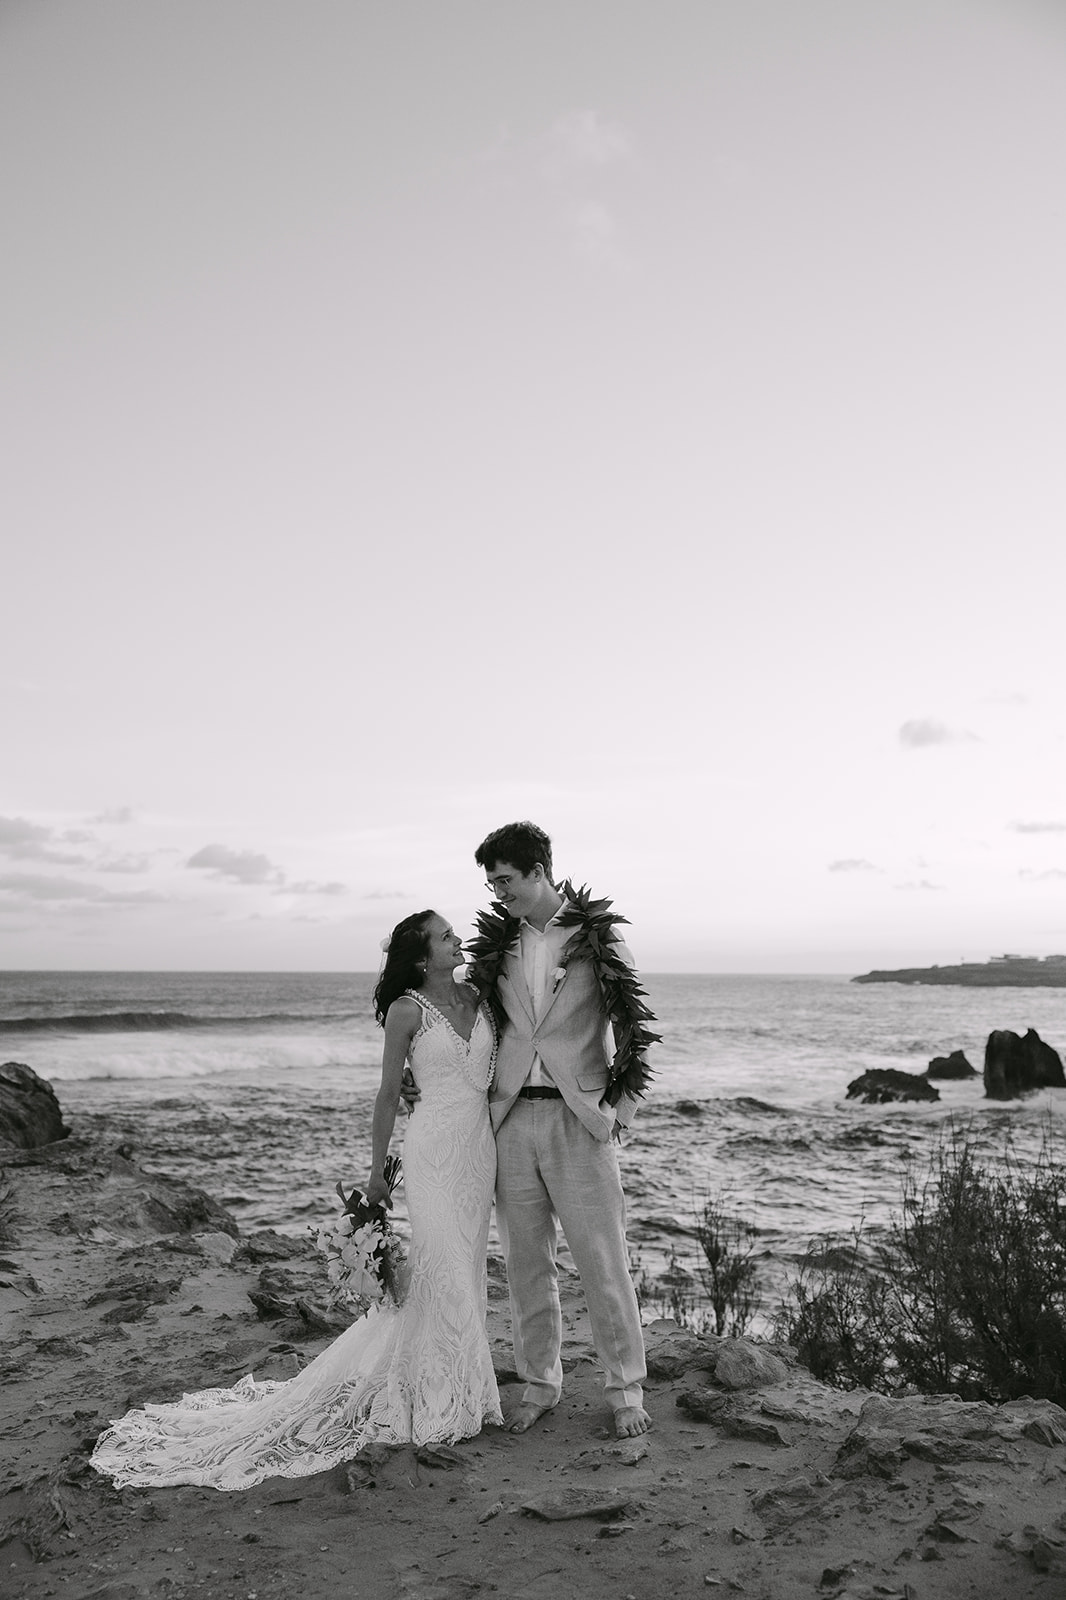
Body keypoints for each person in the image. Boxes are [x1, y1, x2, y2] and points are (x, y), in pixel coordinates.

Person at [91, 910, 502, 1491]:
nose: (457, 939)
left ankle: (462, 1384)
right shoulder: (407, 1011)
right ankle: (446, 1397)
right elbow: (389, 1092)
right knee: (442, 1264)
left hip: (480, 1151)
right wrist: (376, 1174)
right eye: (445, 936)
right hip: (432, 1152)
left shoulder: (478, 995)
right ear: (420, 956)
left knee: (468, 1263)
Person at [469, 820, 654, 1441]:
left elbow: (634, 1026)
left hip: (579, 1118)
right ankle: (539, 1384)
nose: (498, 893)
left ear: (539, 871)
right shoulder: (498, 943)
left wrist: (618, 1112)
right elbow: (480, 1026)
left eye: (505, 880)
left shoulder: (599, 937)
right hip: (511, 1118)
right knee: (526, 1263)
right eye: (492, 884)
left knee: (602, 1259)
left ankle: (625, 1389)